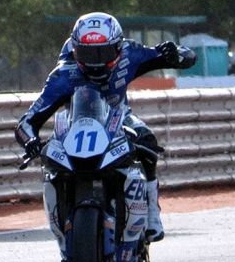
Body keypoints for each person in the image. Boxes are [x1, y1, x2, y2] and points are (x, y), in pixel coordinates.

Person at [14, 12, 197, 242]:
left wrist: (174, 53)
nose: (95, 62)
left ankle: (153, 214)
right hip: (74, 127)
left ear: (118, 48)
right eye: (88, 53)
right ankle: (63, 219)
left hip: (119, 118)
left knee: (147, 141)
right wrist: (30, 141)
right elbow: (27, 122)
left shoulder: (130, 54)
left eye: (103, 53)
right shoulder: (63, 74)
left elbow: (187, 56)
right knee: (51, 165)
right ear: (75, 50)